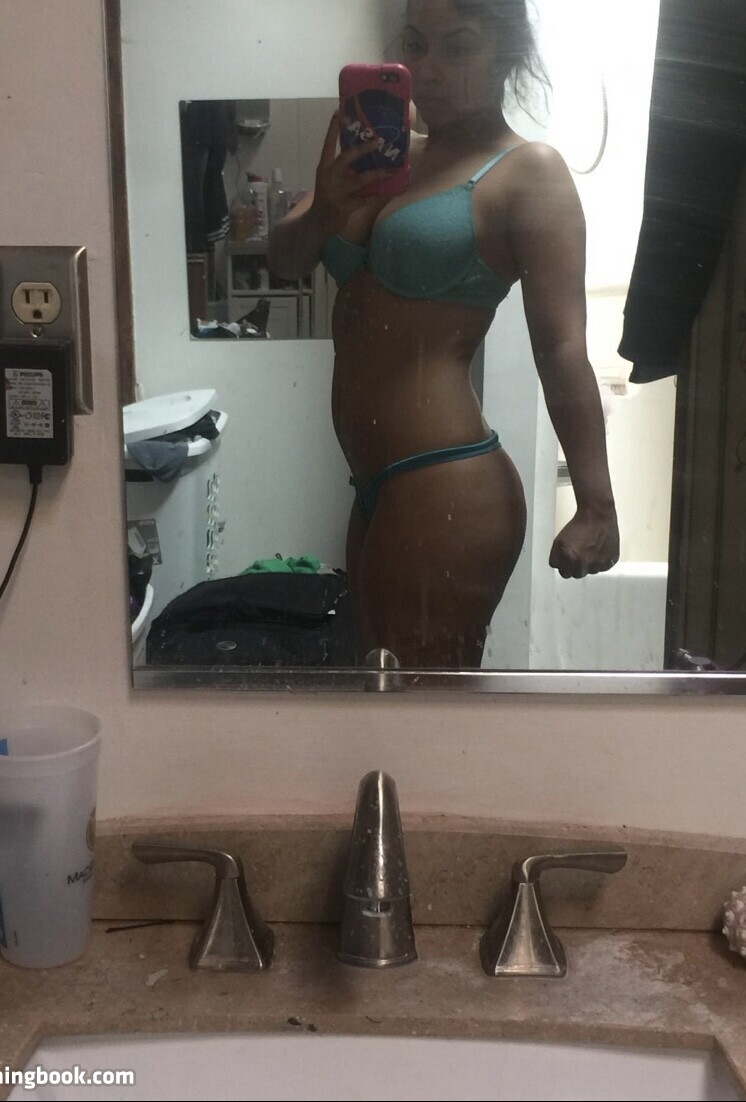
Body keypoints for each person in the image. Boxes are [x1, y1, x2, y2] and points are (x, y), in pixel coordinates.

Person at [268, 0, 620, 669]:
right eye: (416, 45)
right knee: (381, 694)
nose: (428, 69)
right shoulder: (379, 156)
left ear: (507, 55)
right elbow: (285, 261)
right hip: (374, 483)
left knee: (423, 710)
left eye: (457, 47)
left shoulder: (528, 171)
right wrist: (325, 205)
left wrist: (596, 505)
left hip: (446, 482)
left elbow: (561, 349)